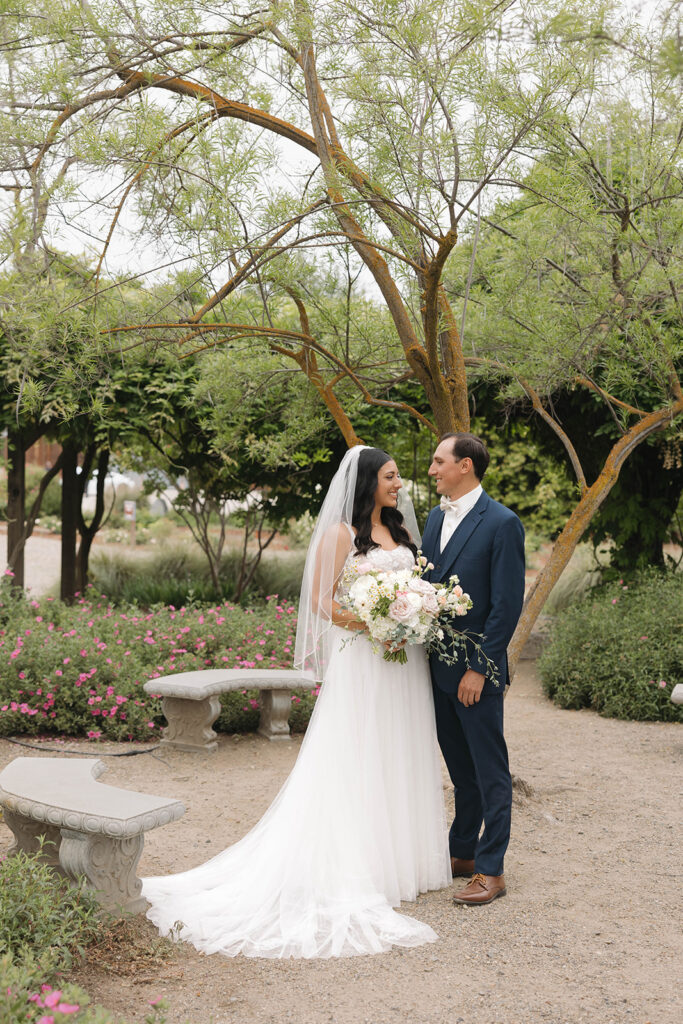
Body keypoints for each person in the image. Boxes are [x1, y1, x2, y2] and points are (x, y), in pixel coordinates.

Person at [141, 446, 450, 958]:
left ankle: (404, 862)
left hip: (402, 663)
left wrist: (411, 615)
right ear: (369, 481)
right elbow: (321, 602)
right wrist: (377, 620)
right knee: (358, 751)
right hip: (364, 659)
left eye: (399, 477)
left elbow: (414, 589)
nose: (400, 485)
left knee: (399, 748)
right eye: (392, 477)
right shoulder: (340, 535)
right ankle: (360, 865)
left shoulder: (399, 533)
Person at [421, 433, 525, 906]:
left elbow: (506, 606)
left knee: (490, 772)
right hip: (436, 671)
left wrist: (480, 669)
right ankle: (461, 852)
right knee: (460, 771)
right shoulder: (432, 518)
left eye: (439, 462)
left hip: (475, 674)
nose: (431, 470)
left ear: (465, 465)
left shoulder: (503, 523)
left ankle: (491, 870)